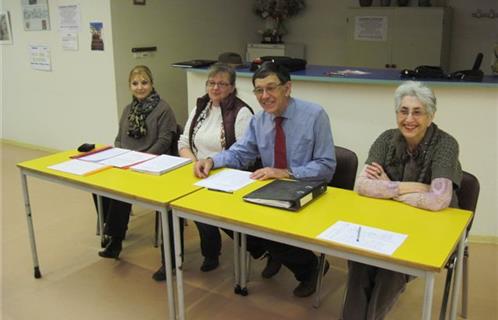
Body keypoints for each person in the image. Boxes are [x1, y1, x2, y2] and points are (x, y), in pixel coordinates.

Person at [194, 62, 336, 297]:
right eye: (259, 90)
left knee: (268, 223)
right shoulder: (259, 120)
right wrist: (212, 160)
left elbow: (327, 166)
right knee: (225, 214)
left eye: (271, 88)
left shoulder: (315, 115)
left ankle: (311, 268)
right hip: (274, 189)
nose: (265, 96)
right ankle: (273, 251)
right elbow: (241, 153)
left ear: (287, 88)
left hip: (306, 187)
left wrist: (286, 173)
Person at [343, 81, 462, 320]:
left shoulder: (445, 144)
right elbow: (362, 185)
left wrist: (386, 186)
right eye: (403, 111)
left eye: (417, 112)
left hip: (431, 227)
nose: (409, 119)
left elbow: (438, 200)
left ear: (430, 116)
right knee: (360, 261)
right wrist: (417, 187)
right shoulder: (386, 139)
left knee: (391, 269)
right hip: (390, 221)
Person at [153, 63, 254, 279]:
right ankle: (169, 261)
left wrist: (209, 164)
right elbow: (183, 141)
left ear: (232, 87)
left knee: (199, 205)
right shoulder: (201, 107)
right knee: (168, 205)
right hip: (196, 168)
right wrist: (193, 163)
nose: (215, 88)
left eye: (222, 84)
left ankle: (211, 252)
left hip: (226, 173)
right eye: (211, 83)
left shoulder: (242, 112)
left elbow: (243, 155)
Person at [98, 65, 179, 264]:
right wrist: (119, 154)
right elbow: (118, 138)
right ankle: (114, 228)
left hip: (153, 162)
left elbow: (164, 141)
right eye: (135, 83)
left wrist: (141, 159)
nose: (140, 87)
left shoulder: (164, 109)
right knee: (98, 183)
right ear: (130, 86)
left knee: (122, 188)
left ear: (152, 84)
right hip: (127, 160)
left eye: (144, 83)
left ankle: (114, 240)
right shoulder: (128, 110)